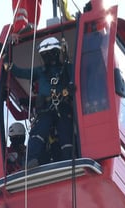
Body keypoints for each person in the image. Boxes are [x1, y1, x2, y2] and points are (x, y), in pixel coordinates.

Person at [4, 36, 76, 167]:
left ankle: (69, 159)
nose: (47, 57)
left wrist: (71, 85)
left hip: (62, 106)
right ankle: (31, 160)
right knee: (38, 133)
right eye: (44, 55)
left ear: (56, 53)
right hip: (46, 109)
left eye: (49, 54)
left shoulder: (67, 68)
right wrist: (5, 54)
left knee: (65, 132)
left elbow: (75, 77)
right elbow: (17, 71)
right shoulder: (40, 72)